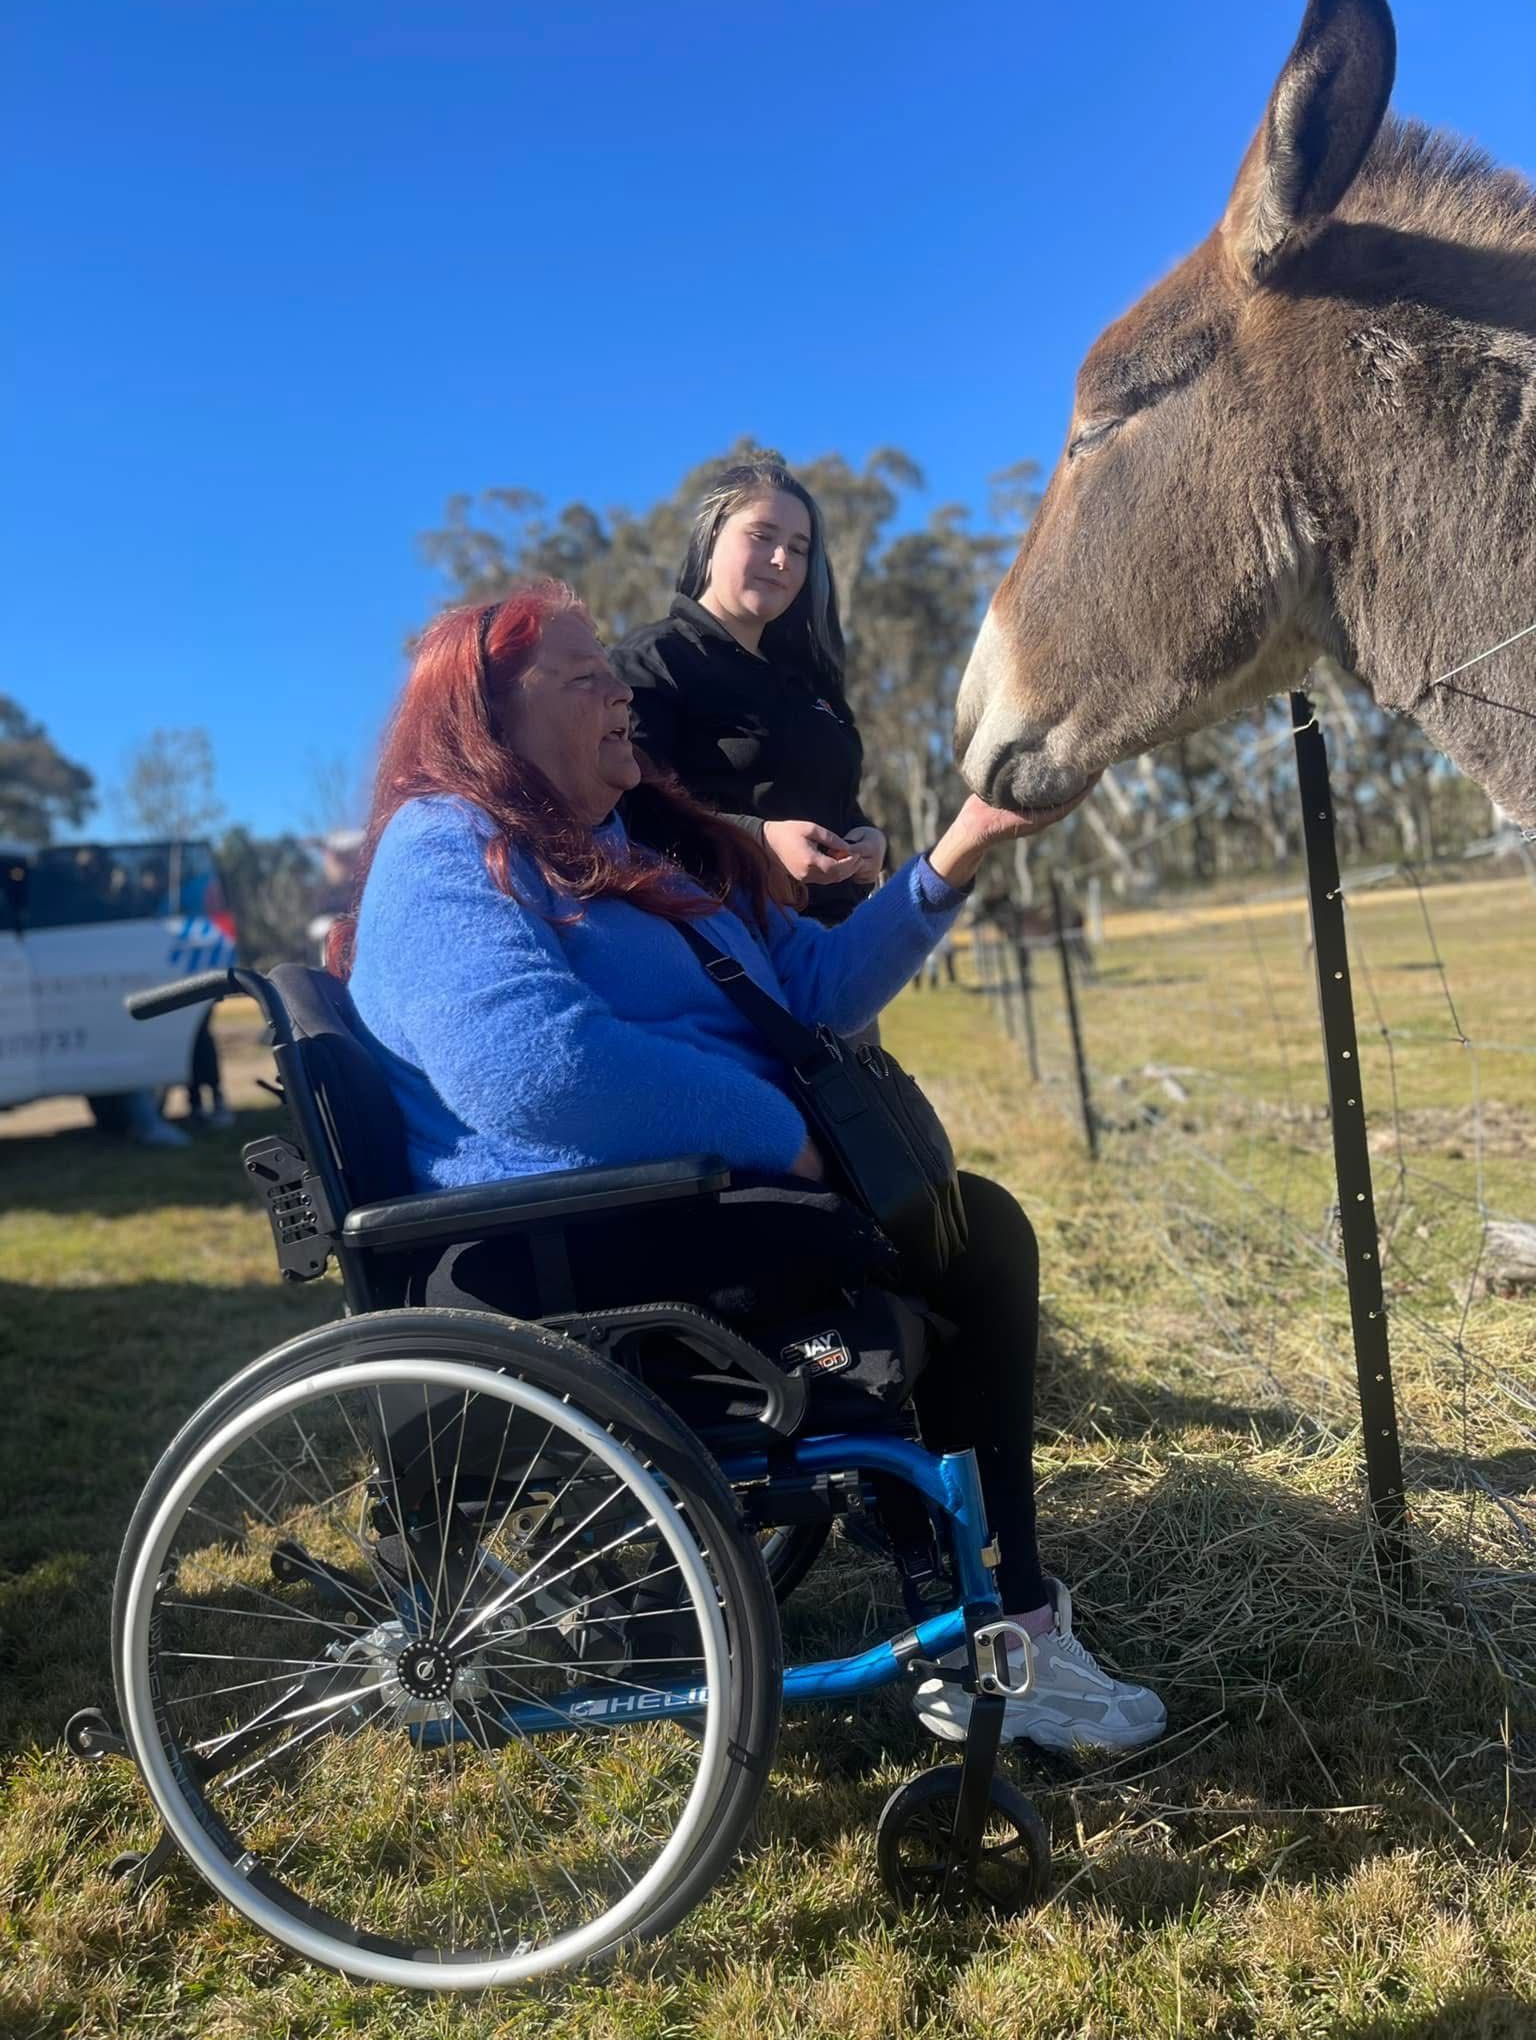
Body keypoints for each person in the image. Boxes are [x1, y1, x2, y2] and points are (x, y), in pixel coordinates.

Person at [336, 581, 1162, 1754]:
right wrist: (782, 1135)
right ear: (488, 715)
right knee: (969, 1244)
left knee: (964, 1231)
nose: (625, 692)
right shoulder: (445, 849)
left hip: (686, 1206)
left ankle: (983, 1608)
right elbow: (538, 1069)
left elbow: (812, 989)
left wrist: (959, 851)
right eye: (586, 677)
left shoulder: (638, 853)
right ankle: (999, 1628)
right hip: (567, 1243)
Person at [610, 459, 885, 926]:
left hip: (838, 953)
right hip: (727, 955)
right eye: (762, 536)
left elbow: (831, 796)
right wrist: (758, 841)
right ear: (711, 538)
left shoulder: (807, 681)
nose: (782, 559)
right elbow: (628, 812)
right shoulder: (654, 660)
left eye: (799, 549)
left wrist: (866, 839)